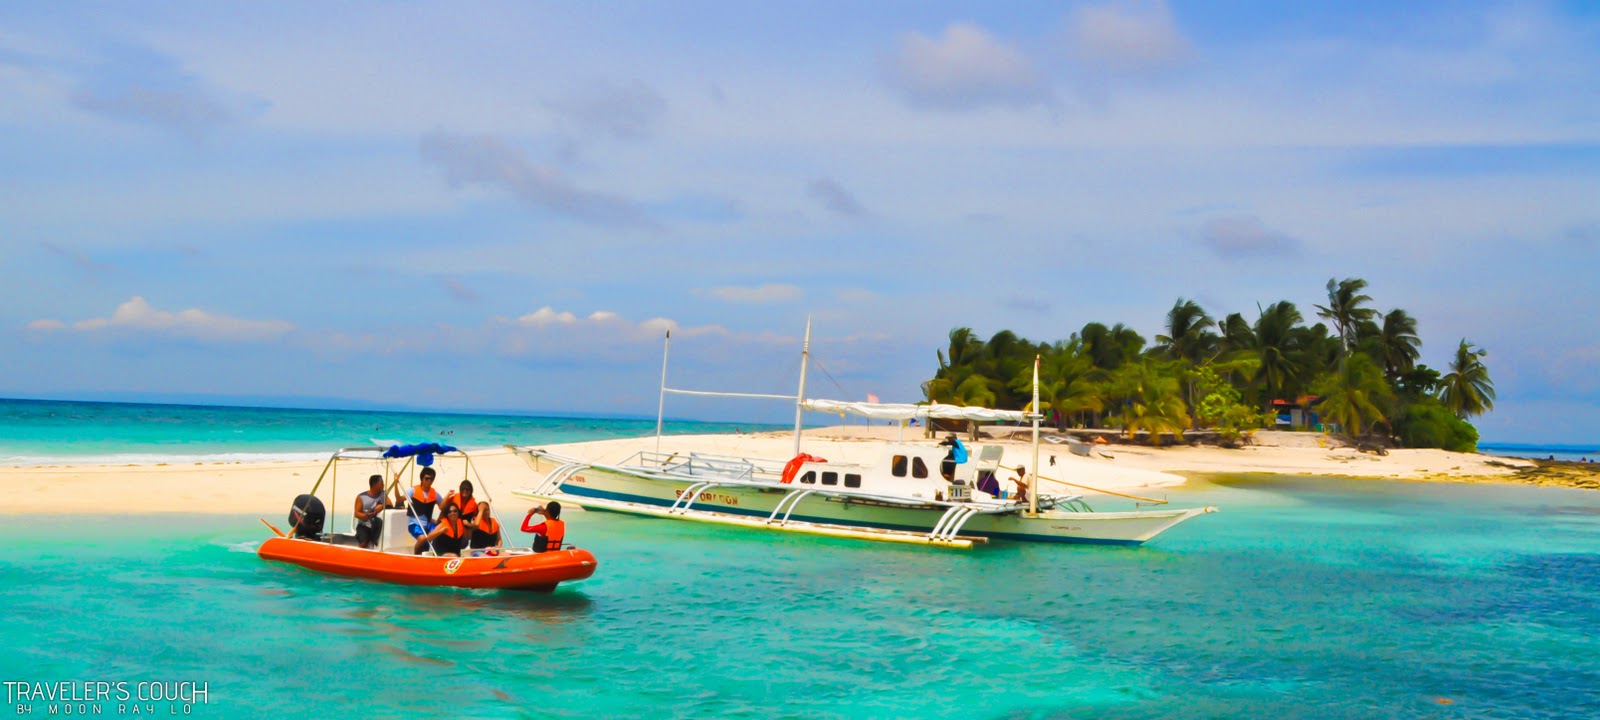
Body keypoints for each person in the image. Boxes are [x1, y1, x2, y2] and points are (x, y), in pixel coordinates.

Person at [353, 475, 389, 549]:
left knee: (376, 543)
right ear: (375, 484)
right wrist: (366, 516)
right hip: (364, 525)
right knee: (364, 543)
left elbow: (390, 505)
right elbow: (356, 513)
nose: (383, 485)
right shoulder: (361, 497)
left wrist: (382, 506)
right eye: (381, 483)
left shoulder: (383, 494)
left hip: (377, 525)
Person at [405, 467, 441, 539]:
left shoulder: (434, 493)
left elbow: (444, 507)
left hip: (428, 525)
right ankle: (417, 550)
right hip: (415, 524)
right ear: (422, 479)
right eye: (427, 478)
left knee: (438, 535)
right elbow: (399, 499)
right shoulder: (413, 490)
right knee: (422, 538)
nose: (429, 481)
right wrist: (396, 484)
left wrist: (438, 521)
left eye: (431, 479)